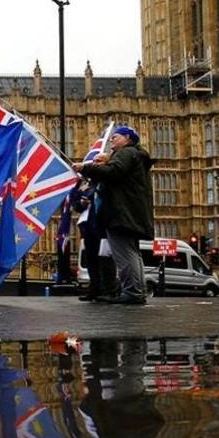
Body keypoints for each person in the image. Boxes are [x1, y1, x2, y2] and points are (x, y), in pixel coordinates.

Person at [74, 125, 154, 305]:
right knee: (133, 254)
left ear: (128, 139)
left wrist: (85, 168)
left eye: (115, 137)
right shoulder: (135, 155)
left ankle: (132, 292)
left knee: (125, 255)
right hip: (128, 213)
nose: (111, 140)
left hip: (122, 214)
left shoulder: (126, 153)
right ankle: (137, 291)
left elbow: (113, 172)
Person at [72, 180, 119, 302]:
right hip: (87, 227)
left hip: (102, 226)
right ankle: (95, 289)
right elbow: (76, 204)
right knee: (91, 259)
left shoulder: (104, 181)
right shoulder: (85, 184)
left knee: (105, 259)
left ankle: (108, 291)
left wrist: (90, 198)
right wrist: (81, 203)